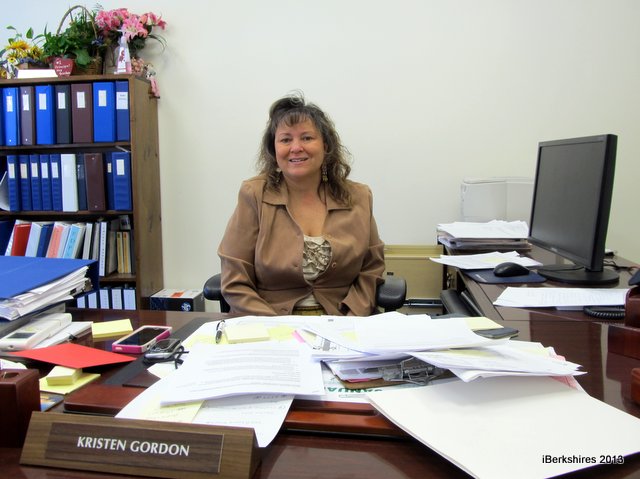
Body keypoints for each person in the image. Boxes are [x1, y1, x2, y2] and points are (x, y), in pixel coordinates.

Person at [218, 93, 385, 316]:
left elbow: (371, 270)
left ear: (326, 145)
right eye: (286, 140)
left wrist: (351, 320)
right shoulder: (254, 195)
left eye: (306, 138)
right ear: (274, 149)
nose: (296, 147)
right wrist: (277, 328)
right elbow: (235, 280)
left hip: (342, 319)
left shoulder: (358, 197)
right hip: (269, 321)